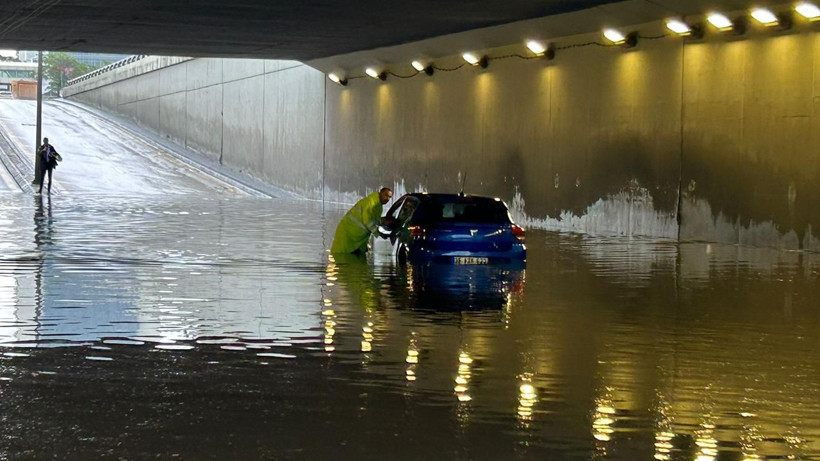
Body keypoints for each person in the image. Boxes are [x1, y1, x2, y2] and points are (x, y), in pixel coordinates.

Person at [331, 187, 393, 254]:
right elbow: (367, 221)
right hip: (347, 234)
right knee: (340, 255)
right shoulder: (371, 202)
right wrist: (378, 233)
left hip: (357, 236)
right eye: (386, 195)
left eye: (389, 197)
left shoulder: (378, 206)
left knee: (351, 258)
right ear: (380, 193)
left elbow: (374, 220)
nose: (387, 199)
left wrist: (384, 220)